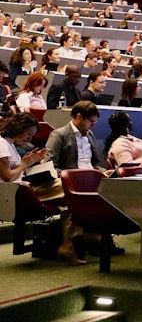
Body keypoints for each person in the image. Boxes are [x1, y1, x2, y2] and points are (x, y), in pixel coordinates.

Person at [1, 113, 88, 265]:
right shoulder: (1, 144)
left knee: (70, 203)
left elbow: (17, 171)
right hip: (16, 193)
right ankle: (92, 233)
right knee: (71, 189)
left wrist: (33, 164)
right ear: (17, 128)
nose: (29, 139)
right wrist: (24, 164)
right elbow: (8, 176)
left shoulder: (10, 145)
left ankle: (68, 245)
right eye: (28, 134)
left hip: (24, 188)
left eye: (31, 135)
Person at [45, 101, 105, 173]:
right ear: (79, 116)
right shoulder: (59, 135)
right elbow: (49, 166)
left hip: (92, 175)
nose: (93, 125)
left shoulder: (90, 134)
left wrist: (104, 172)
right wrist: (67, 175)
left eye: (95, 122)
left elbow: (95, 164)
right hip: (71, 178)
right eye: (91, 121)